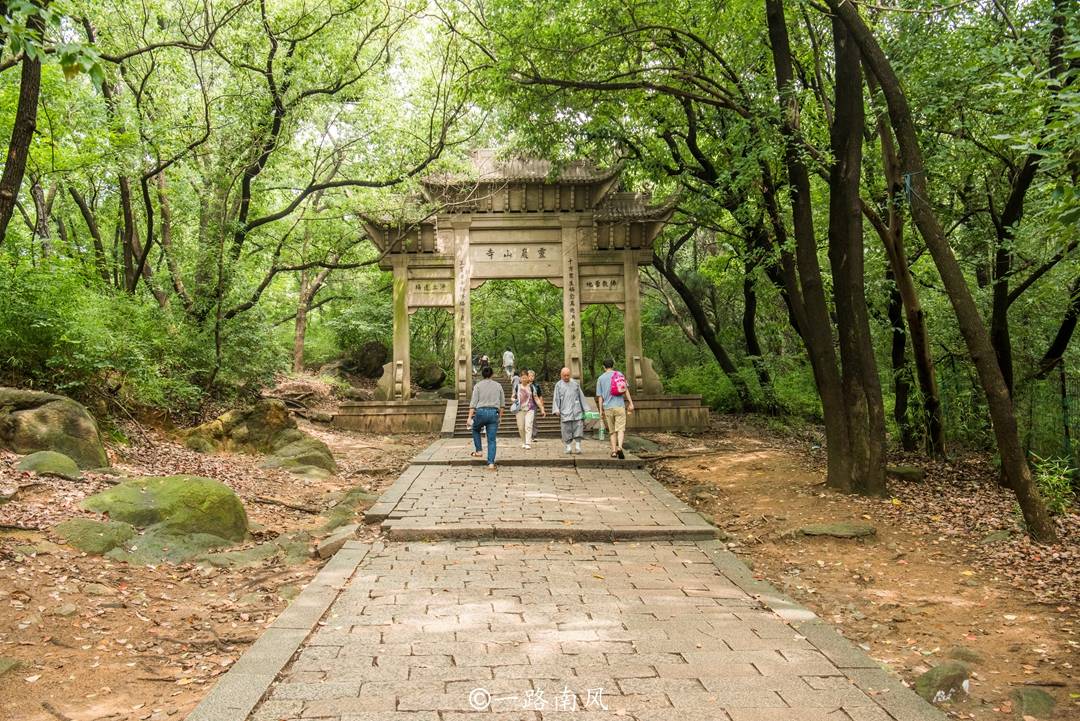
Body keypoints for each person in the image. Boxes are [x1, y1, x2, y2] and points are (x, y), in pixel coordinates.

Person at [596, 358, 634, 459]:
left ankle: (613, 451)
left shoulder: (600, 378)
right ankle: (620, 447)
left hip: (608, 407)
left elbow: (600, 397)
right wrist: (630, 403)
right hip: (619, 406)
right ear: (613, 365)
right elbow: (625, 390)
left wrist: (600, 410)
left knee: (612, 431)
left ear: (604, 367)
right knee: (620, 429)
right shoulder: (619, 374)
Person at [466, 365, 504, 468]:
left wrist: (469, 417)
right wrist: (500, 417)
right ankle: (491, 463)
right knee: (492, 439)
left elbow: (473, 403)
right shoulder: (498, 386)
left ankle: (479, 451)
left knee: (475, 429)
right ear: (492, 374)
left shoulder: (478, 386)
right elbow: (502, 404)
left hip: (481, 412)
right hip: (493, 413)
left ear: (482, 375)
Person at [552, 366, 589, 454]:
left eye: (568, 375)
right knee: (566, 429)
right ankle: (568, 447)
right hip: (565, 411)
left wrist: (586, 409)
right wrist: (556, 409)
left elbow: (581, 396)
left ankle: (578, 446)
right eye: (564, 375)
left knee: (578, 427)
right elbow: (556, 398)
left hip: (577, 410)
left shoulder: (575, 384)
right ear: (561, 375)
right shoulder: (558, 385)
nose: (566, 377)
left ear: (570, 375)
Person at [515, 370, 536, 449]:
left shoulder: (531, 387)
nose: (524, 379)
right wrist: (513, 400)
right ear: (520, 378)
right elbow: (512, 396)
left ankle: (528, 443)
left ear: (528, 378)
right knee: (521, 427)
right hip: (520, 409)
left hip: (530, 409)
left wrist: (542, 408)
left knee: (528, 425)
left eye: (525, 378)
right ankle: (523, 441)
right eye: (522, 378)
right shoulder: (517, 387)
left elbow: (536, 398)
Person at [528, 370, 546, 442]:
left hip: (534, 404)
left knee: (533, 420)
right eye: (529, 376)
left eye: (532, 376)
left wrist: (542, 407)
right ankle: (528, 435)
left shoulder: (536, 385)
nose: (531, 377)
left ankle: (534, 435)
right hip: (526, 405)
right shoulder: (523, 385)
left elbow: (540, 396)